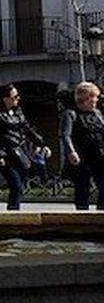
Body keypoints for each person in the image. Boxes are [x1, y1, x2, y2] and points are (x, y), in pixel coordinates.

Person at [0, 83, 49, 210]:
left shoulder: (18, 111)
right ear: (6, 98)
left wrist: (41, 143)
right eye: (15, 96)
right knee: (16, 186)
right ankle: (12, 213)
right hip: (7, 154)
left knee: (19, 187)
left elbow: (27, 129)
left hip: (20, 152)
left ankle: (15, 210)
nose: (18, 99)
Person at [63, 81, 104, 209]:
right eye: (94, 97)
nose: (96, 100)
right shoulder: (71, 114)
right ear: (85, 99)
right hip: (82, 158)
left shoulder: (98, 114)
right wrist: (71, 151)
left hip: (99, 156)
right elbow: (66, 135)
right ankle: (82, 216)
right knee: (83, 188)